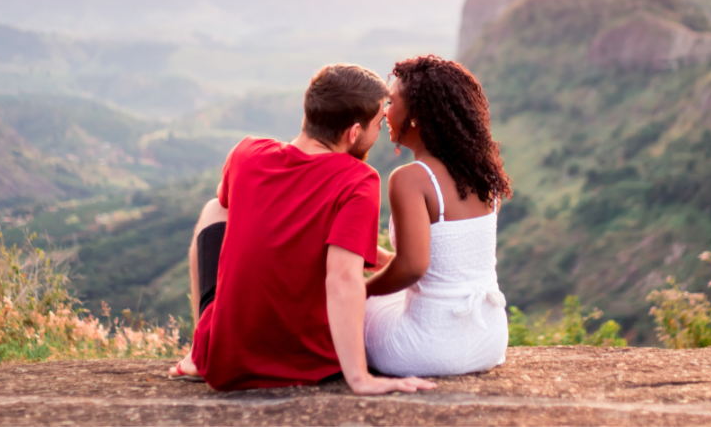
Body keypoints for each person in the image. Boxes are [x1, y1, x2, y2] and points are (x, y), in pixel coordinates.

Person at [168, 63, 435, 395]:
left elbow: (266, 218)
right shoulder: (358, 179)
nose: (380, 131)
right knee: (218, 207)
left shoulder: (246, 154)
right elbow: (342, 278)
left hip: (224, 364)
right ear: (354, 133)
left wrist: (382, 258)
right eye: (378, 123)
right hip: (310, 362)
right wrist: (360, 378)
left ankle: (200, 350)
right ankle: (204, 350)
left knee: (215, 207)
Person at [364, 55, 513, 376]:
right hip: (488, 339)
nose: (384, 111)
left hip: (428, 346)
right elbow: (446, 266)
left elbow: (413, 267)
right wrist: (377, 258)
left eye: (390, 101)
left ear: (416, 115)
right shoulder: (482, 174)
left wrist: (362, 290)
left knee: (352, 307)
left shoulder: (410, 179)